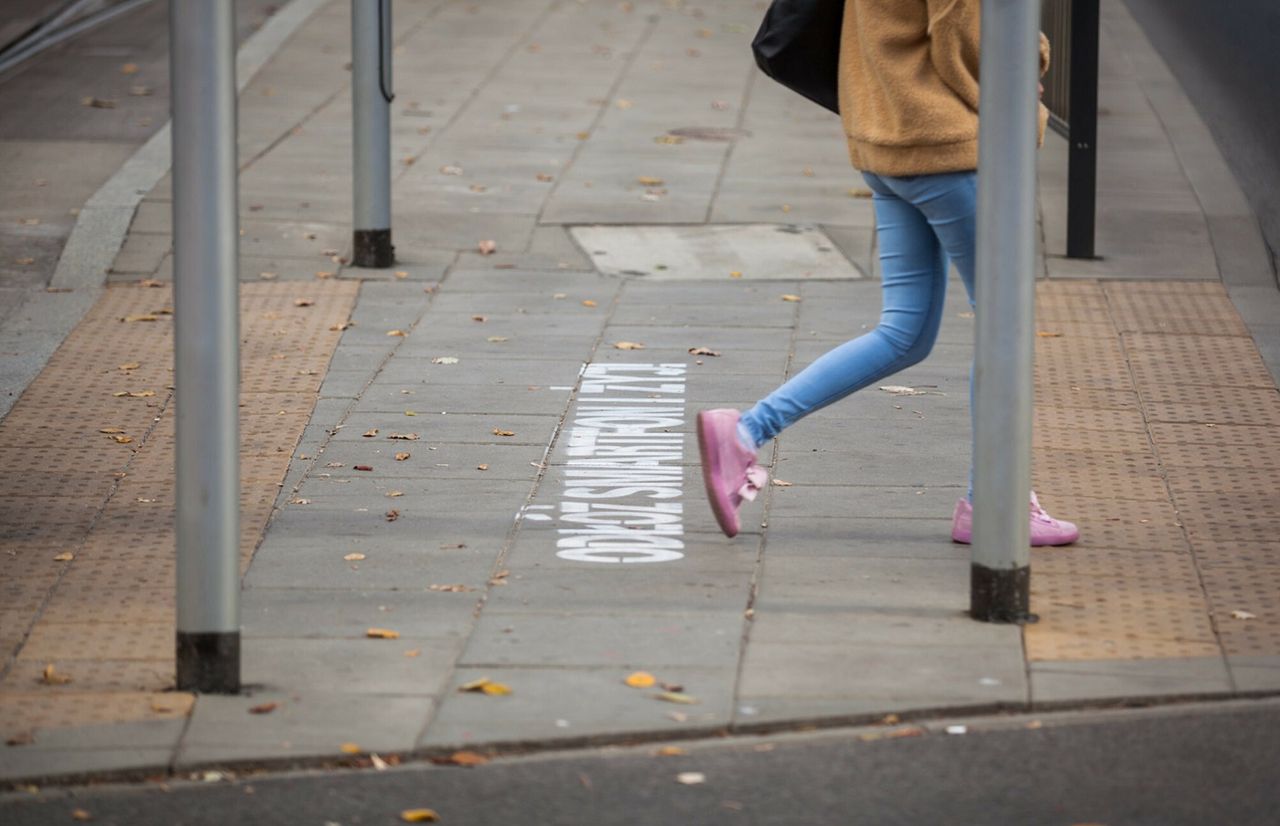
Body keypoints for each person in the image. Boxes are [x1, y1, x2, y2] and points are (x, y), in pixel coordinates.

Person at [697, 0, 1078, 545]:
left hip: (888, 142)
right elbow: (965, 32)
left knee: (905, 333)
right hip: (942, 147)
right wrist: (1024, 66)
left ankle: (744, 431)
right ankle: (995, 500)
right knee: (1005, 329)